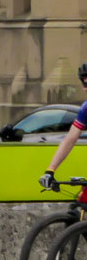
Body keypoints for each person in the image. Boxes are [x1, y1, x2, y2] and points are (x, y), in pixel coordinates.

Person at [37, 62, 87, 192]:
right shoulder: (85, 109)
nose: (85, 87)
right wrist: (50, 170)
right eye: (84, 83)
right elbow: (70, 139)